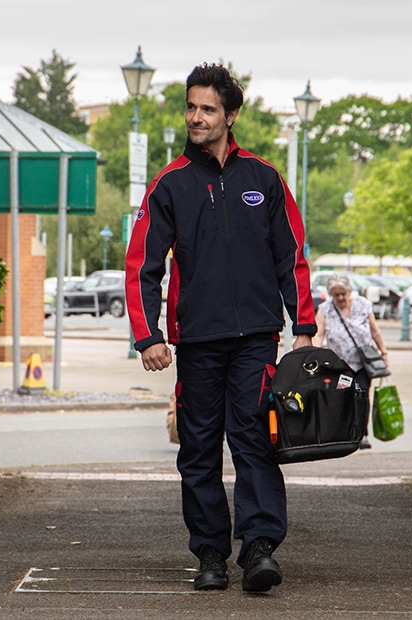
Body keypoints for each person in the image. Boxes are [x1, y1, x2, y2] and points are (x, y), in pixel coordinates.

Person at [125, 62, 317, 593]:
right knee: (200, 448)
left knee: (253, 440)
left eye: (208, 109)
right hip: (198, 342)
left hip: (257, 337)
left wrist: (302, 325)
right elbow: (141, 262)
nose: (196, 117)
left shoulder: (264, 179)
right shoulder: (170, 183)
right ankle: (210, 553)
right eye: (191, 107)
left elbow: (292, 256)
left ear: (230, 115)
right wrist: (149, 335)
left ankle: (258, 549)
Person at [313, 273, 389, 449]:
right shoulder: (325, 309)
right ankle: (344, 433)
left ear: (349, 291)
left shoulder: (363, 305)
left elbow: (375, 331)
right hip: (340, 366)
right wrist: (315, 352)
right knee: (342, 398)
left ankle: (362, 434)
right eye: (336, 294)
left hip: (363, 363)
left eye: (343, 294)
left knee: (362, 397)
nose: (340, 298)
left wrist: (383, 352)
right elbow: (319, 333)